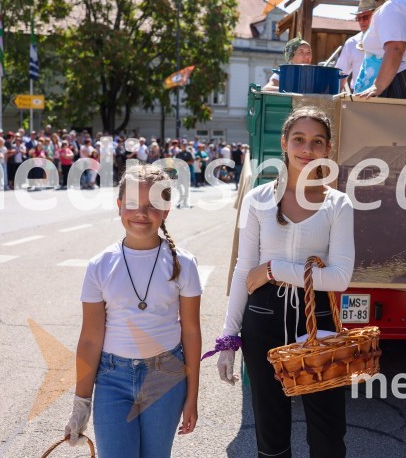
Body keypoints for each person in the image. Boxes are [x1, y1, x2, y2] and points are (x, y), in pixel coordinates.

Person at [214, 107, 355, 458]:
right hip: (263, 320)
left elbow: (340, 277)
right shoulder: (258, 199)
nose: (307, 149)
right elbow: (243, 270)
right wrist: (229, 337)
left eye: (316, 142)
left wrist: (275, 268)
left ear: (328, 149)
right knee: (271, 432)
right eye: (299, 139)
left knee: (328, 433)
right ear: (284, 143)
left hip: (317, 324)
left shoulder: (339, 204)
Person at [65, 163, 202, 457]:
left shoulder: (185, 264)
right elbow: (90, 338)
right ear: (118, 206)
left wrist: (192, 396)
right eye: (132, 204)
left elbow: (191, 332)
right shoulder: (100, 265)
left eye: (152, 205)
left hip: (165, 376)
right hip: (112, 378)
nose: (141, 213)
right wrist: (81, 403)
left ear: (166, 210)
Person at [335, 0, 379, 91]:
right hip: (359, 96)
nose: (362, 21)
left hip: (383, 95)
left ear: (375, 16)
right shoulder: (351, 43)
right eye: (358, 18)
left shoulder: (387, 39)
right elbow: (341, 74)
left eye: (365, 17)